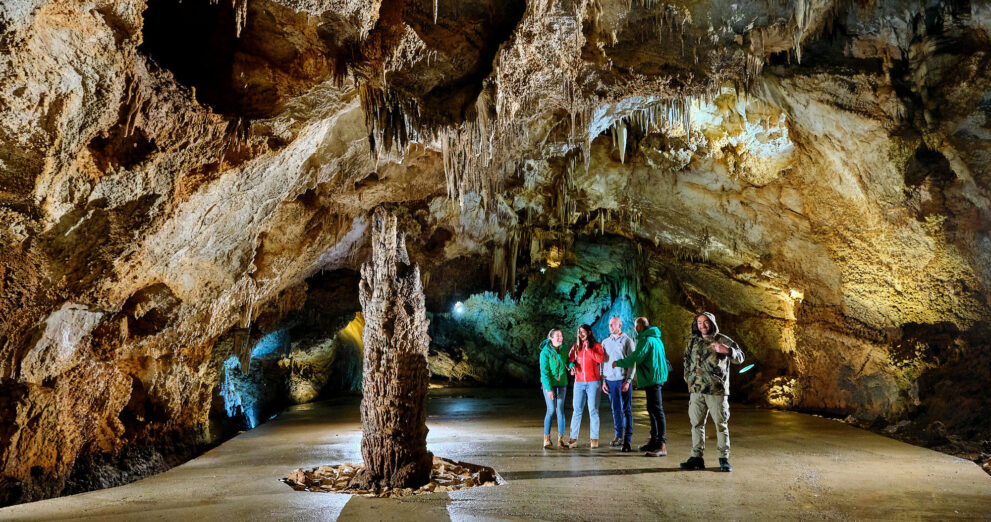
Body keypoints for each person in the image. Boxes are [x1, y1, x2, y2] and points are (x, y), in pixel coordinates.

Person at [679, 312, 744, 472]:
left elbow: (740, 358)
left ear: (712, 323)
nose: (702, 325)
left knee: (721, 425)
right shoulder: (693, 341)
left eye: (706, 322)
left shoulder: (723, 340)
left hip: (716, 390)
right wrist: (688, 377)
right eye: (699, 322)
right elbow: (686, 359)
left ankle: (724, 458)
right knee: (696, 424)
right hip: (696, 390)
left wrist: (728, 351)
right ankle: (696, 457)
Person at [612, 317, 669, 457]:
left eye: (635, 326)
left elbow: (636, 357)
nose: (635, 329)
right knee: (652, 409)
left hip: (652, 378)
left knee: (657, 410)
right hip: (656, 377)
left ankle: (661, 445)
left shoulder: (645, 339)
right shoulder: (656, 338)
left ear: (639, 326)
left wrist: (618, 363)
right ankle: (654, 441)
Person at [566, 324, 605, 448]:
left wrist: (589, 350)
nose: (581, 334)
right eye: (579, 332)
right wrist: (572, 368)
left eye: (583, 331)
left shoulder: (597, 346)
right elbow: (569, 360)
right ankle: (573, 438)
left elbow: (600, 360)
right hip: (579, 382)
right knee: (577, 410)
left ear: (589, 332)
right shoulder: (575, 347)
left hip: (593, 382)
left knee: (593, 410)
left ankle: (594, 438)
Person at [600, 317, 635, 452]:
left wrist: (628, 380)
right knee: (615, 410)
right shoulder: (605, 342)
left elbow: (632, 362)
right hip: (610, 380)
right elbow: (603, 363)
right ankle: (618, 436)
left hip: (622, 380)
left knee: (626, 410)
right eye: (609, 324)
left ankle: (627, 439)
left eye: (613, 324)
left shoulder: (627, 341)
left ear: (620, 325)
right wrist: (603, 380)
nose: (610, 327)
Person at [539, 329, 569, 449]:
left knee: (560, 410)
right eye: (557, 336)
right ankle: (546, 438)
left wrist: (571, 366)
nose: (560, 337)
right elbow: (544, 373)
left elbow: (568, 361)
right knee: (551, 410)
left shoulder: (564, 349)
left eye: (561, 335)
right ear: (550, 338)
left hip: (562, 384)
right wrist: (548, 389)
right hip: (550, 385)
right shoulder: (545, 352)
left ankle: (561, 440)